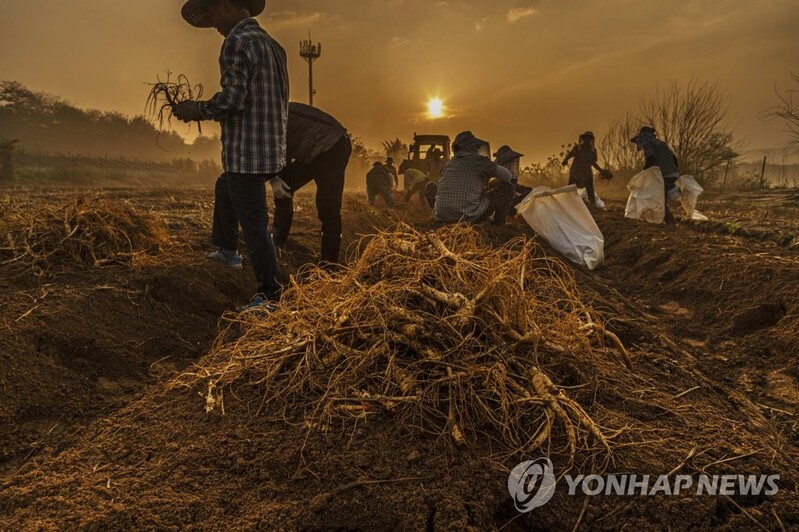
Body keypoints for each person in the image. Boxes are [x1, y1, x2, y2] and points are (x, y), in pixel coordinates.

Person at [173, 0, 288, 309]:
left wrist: (195, 109)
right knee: (224, 188)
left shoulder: (236, 42)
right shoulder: (274, 46)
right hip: (269, 149)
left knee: (254, 223)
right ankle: (227, 251)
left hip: (246, 152)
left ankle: (270, 294)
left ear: (225, 6)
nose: (214, 25)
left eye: (211, 15)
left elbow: (232, 100)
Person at [271, 102, 352, 265]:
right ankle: (278, 243)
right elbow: (280, 159)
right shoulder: (270, 115)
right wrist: (275, 179)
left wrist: (272, 179)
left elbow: (274, 154)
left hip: (333, 145)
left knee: (328, 205)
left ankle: (328, 265)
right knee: (284, 183)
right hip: (312, 150)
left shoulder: (271, 117)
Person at [426, 131, 514, 225]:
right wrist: (494, 182)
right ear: (473, 147)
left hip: (441, 217)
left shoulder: (448, 164)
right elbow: (507, 176)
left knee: (430, 186)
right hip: (469, 217)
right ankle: (499, 224)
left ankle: (445, 215)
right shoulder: (479, 161)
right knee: (506, 187)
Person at [630, 126, 680, 225]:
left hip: (663, 175)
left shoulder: (648, 144)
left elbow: (651, 158)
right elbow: (674, 158)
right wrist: (675, 170)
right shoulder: (662, 144)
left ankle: (671, 222)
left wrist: (643, 172)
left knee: (659, 200)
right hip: (673, 173)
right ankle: (664, 220)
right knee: (659, 198)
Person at [562, 131, 607, 208]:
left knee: (590, 190)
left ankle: (592, 204)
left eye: (589, 139)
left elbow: (593, 162)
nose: (587, 140)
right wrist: (565, 160)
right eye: (586, 138)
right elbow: (570, 155)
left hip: (586, 172)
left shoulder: (593, 151)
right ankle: (567, 204)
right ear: (583, 139)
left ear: (591, 140)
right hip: (576, 172)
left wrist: (601, 170)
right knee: (570, 189)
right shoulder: (577, 148)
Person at [494, 145, 531, 214]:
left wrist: (529, 190)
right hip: (506, 208)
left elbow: (515, 186)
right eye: (510, 163)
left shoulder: (510, 179)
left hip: (509, 205)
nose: (512, 166)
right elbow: (508, 194)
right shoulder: (499, 179)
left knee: (530, 192)